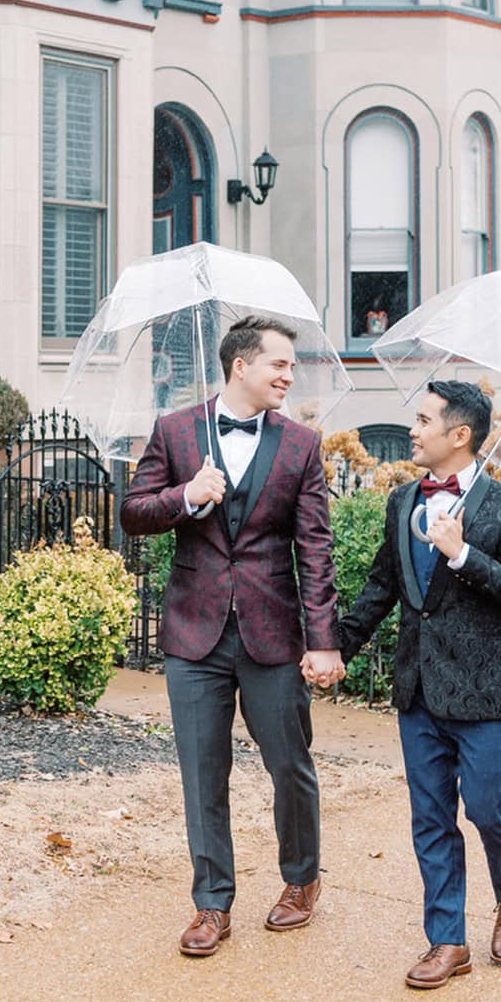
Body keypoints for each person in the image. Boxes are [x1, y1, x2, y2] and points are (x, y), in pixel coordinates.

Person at [120, 316, 344, 958]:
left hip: (273, 634)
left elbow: (315, 549)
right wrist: (186, 497)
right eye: (279, 364)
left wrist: (322, 638)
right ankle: (211, 903)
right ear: (240, 366)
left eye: (292, 366)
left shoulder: (300, 445)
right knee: (202, 771)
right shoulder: (174, 431)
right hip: (195, 634)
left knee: (290, 764)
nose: (289, 375)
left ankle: (301, 878)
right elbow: (133, 513)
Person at [336, 381, 501, 990]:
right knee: (430, 817)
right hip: (419, 689)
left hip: (484, 694)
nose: (413, 429)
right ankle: (447, 940)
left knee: (486, 806)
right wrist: (336, 648)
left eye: (424, 420)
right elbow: (383, 585)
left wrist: (462, 555)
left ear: (460, 435)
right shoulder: (403, 500)